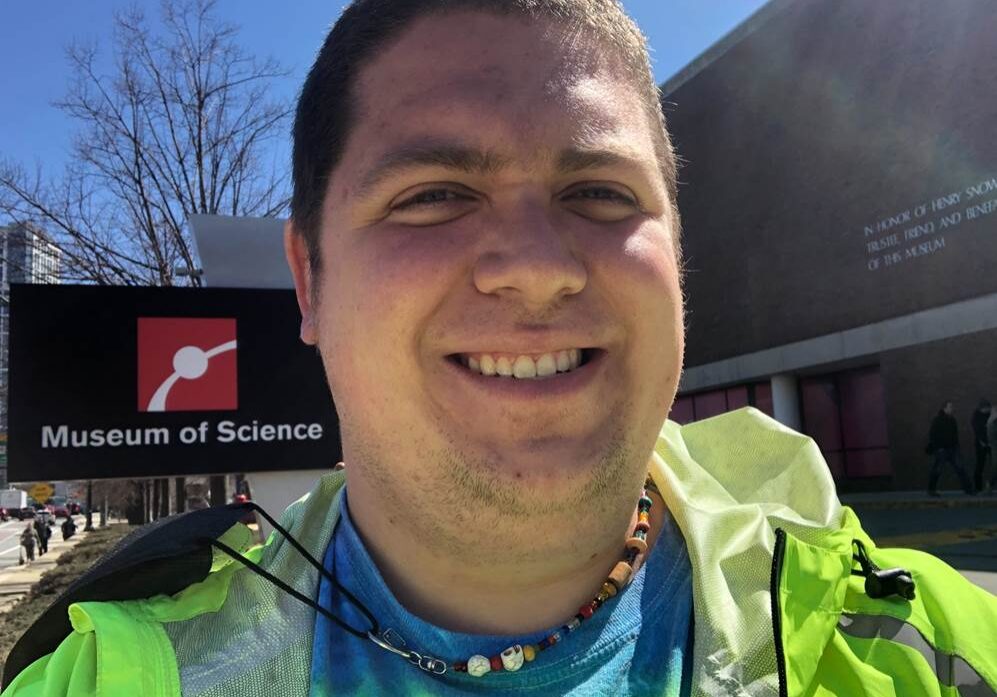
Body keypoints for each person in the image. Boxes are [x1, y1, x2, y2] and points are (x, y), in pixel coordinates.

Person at [3, 2, 997, 696]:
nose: (536, 267)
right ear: (309, 279)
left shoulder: (924, 646)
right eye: (433, 194)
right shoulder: (104, 678)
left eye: (600, 193)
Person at [927, 400, 975, 495]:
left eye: (952, 407)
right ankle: (931, 490)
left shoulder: (952, 420)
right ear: (944, 408)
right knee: (937, 470)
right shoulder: (937, 420)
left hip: (953, 449)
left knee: (960, 468)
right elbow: (932, 435)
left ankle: (968, 489)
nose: (952, 408)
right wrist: (939, 448)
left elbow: (955, 435)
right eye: (950, 407)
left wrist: (957, 447)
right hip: (942, 450)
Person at [972, 399, 993, 493]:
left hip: (991, 443)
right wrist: (982, 441)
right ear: (982, 408)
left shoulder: (991, 415)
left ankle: (989, 485)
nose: (988, 410)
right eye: (987, 409)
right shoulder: (976, 416)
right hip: (981, 444)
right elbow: (977, 430)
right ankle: (978, 487)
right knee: (980, 465)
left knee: (994, 464)